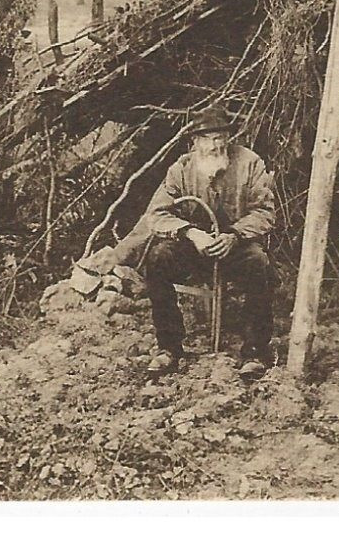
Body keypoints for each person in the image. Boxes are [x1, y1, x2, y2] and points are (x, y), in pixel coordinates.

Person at [82, 105, 277, 380]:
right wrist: (189, 233)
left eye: (220, 136)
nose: (215, 144)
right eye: (207, 138)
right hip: (193, 247)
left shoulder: (250, 163)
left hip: (236, 245)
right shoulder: (182, 169)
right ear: (194, 141)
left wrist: (234, 235)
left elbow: (265, 212)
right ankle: (169, 348)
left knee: (260, 262)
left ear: (228, 138)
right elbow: (157, 214)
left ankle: (255, 351)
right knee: (159, 257)